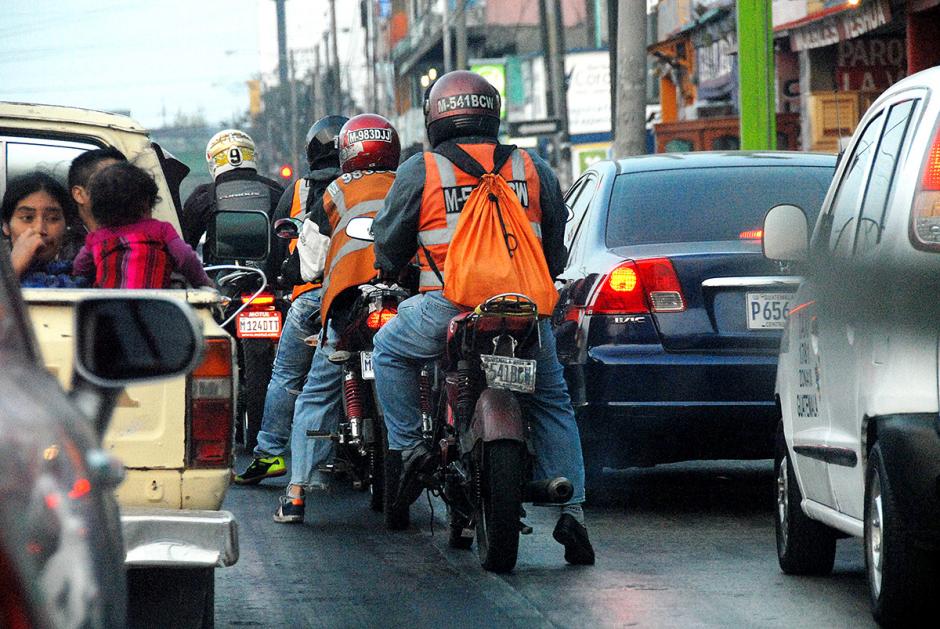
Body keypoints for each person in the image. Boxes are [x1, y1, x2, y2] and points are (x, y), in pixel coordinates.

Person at [370, 70, 595, 564]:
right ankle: (572, 512)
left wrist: (390, 268)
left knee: (386, 350)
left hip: (450, 311)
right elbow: (554, 249)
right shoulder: (533, 167)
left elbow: (388, 244)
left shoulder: (421, 170)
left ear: (436, 117)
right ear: (491, 113)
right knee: (553, 401)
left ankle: (409, 449)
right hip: (524, 313)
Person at [274, 113, 400, 523]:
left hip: (345, 306)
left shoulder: (334, 192)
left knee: (314, 394)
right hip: (400, 303)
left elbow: (309, 263)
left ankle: (295, 494)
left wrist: (295, 271)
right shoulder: (409, 184)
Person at [234, 115, 348, 485]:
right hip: (367, 293)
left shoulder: (298, 191)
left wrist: (276, 278)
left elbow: (273, 248)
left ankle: (268, 455)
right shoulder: (380, 185)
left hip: (311, 297)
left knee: (285, 377)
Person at [72, 162, 212, 289]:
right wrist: (204, 283)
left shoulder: (97, 238)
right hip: (152, 306)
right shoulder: (161, 230)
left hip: (110, 308)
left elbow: (80, 269)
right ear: (146, 202)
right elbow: (185, 258)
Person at [181, 129, 284, 272]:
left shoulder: (203, 195)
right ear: (252, 157)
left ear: (213, 163)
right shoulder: (274, 189)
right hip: (269, 277)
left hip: (222, 276)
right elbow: (287, 231)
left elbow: (186, 242)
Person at [1, 172, 87, 287]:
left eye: (53, 218)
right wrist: (14, 267)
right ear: (6, 226)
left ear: (66, 225)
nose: (40, 229)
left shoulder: (81, 275)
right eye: (27, 218)